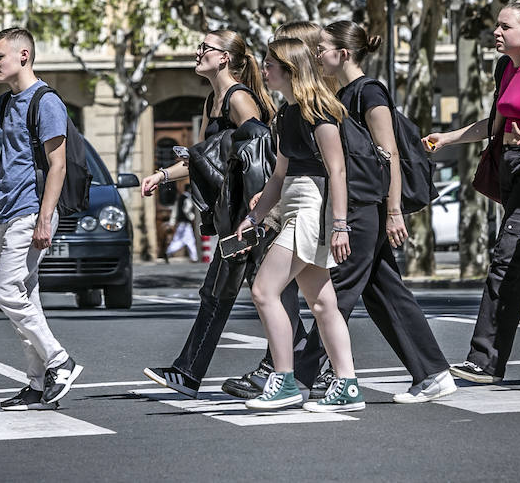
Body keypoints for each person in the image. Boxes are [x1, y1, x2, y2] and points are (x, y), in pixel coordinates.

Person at [293, 20, 455, 404]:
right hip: (360, 204)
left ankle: (298, 377)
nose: (317, 54)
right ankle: (432, 373)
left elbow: (391, 153)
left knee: (339, 292)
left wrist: (394, 211)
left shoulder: (370, 92)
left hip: (370, 206)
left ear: (343, 53)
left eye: (322, 48)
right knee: (384, 291)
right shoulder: (344, 93)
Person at [425, 2, 520, 384]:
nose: (496, 31)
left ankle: (485, 361)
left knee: (506, 260)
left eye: (504, 26)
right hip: (512, 168)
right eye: (495, 25)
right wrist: (447, 139)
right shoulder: (504, 68)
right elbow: (493, 126)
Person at [141, 29, 284, 399]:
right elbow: (202, 157)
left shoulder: (238, 98)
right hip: (234, 212)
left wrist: (257, 214)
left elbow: (259, 150)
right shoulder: (213, 102)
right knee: (226, 292)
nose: (198, 51)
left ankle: (292, 368)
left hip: (251, 213)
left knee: (261, 292)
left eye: (205, 47)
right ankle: (190, 374)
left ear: (224, 58)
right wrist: (162, 175)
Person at [0, 27, 84, 410]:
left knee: (7, 292)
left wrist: (45, 219)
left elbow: (57, 165)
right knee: (26, 299)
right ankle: (37, 382)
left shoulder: (45, 101)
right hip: (4, 212)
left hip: (31, 210)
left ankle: (60, 361)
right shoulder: (9, 101)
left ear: (23, 55)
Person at [235, 37, 363, 412]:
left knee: (263, 290)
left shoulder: (319, 110)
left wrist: (340, 225)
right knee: (323, 303)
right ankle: (348, 384)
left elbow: (337, 170)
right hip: (294, 204)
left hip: (312, 208)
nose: (264, 70)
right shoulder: (286, 115)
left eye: (269, 64)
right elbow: (278, 176)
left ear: (291, 69)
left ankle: (285, 381)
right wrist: (254, 217)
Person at [164, 187, 200, 262]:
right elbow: (187, 209)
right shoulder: (187, 198)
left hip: (180, 223)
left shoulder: (180, 198)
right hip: (186, 224)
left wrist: (172, 222)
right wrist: (192, 217)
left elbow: (175, 211)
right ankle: (194, 258)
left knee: (178, 240)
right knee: (190, 241)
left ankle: (168, 251)